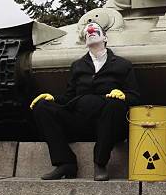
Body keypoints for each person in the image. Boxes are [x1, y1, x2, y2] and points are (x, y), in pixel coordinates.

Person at [30, 22, 140, 181]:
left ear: (105, 38)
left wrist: (123, 95)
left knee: (115, 103)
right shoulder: (78, 66)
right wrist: (52, 98)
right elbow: (69, 97)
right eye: (87, 32)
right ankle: (65, 163)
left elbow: (135, 96)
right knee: (42, 107)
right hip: (79, 120)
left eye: (95, 30)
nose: (90, 31)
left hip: (109, 124)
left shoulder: (123, 65)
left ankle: (100, 163)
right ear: (84, 40)